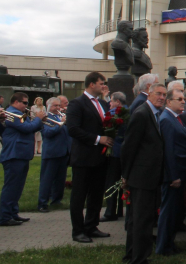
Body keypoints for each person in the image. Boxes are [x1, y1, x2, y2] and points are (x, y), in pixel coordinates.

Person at [121, 83, 167, 264]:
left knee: (137, 219)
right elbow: (129, 147)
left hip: (148, 176)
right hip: (141, 177)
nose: (162, 98)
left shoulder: (154, 114)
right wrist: (125, 175)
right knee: (141, 220)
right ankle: (139, 258)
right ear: (149, 94)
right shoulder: (141, 114)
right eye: (158, 94)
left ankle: (132, 255)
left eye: (164, 95)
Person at [66, 72, 113, 243]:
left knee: (96, 194)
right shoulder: (77, 103)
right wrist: (98, 139)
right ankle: (78, 231)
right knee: (79, 196)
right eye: (102, 83)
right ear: (92, 84)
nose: (104, 86)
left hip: (100, 158)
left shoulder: (102, 103)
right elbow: (72, 129)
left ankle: (91, 226)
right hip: (84, 157)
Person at [0, 92, 47, 226]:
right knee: (11, 187)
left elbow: (31, 128)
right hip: (14, 154)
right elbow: (26, 128)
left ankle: (13, 213)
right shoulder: (11, 114)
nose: (27, 106)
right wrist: (38, 119)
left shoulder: (19, 114)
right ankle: (5, 217)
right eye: (24, 103)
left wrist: (40, 121)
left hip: (21, 154)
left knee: (18, 187)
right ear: (15, 102)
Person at [156, 87, 186, 256]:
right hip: (175, 174)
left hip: (182, 171)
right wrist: (173, 176)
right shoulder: (166, 119)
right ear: (169, 102)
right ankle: (163, 246)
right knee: (168, 212)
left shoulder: (177, 118)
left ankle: (169, 244)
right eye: (179, 99)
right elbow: (168, 150)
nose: (183, 102)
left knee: (174, 212)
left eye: (184, 99)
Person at [38, 97, 71, 213]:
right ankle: (42, 203)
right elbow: (47, 133)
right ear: (48, 106)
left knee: (60, 179)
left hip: (63, 152)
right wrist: (61, 124)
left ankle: (57, 200)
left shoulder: (60, 116)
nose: (57, 108)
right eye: (55, 106)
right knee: (47, 179)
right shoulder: (45, 118)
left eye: (58, 105)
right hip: (52, 152)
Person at [102, 91, 127, 222]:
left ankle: (110, 211)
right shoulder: (130, 111)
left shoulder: (113, 114)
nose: (109, 104)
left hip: (114, 151)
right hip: (126, 152)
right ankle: (120, 210)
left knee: (112, 182)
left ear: (117, 102)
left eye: (111, 101)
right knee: (123, 182)